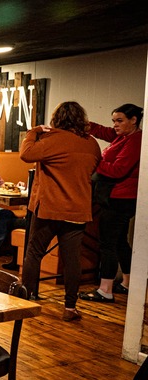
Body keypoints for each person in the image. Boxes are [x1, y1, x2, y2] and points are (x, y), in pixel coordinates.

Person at [19, 101, 101, 321]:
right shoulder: (91, 143)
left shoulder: (50, 139)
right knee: (72, 259)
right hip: (77, 210)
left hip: (49, 208)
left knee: (34, 253)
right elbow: (95, 166)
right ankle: (70, 308)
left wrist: (34, 131)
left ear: (57, 119)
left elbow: (26, 154)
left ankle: (25, 300)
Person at [80, 103, 142, 304]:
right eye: (114, 120)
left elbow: (118, 170)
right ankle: (127, 283)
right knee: (120, 241)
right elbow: (101, 130)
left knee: (107, 243)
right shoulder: (124, 136)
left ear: (133, 120)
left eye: (120, 120)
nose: (115, 125)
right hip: (119, 198)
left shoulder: (135, 140)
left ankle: (105, 290)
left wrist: (94, 159)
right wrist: (81, 123)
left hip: (119, 199)